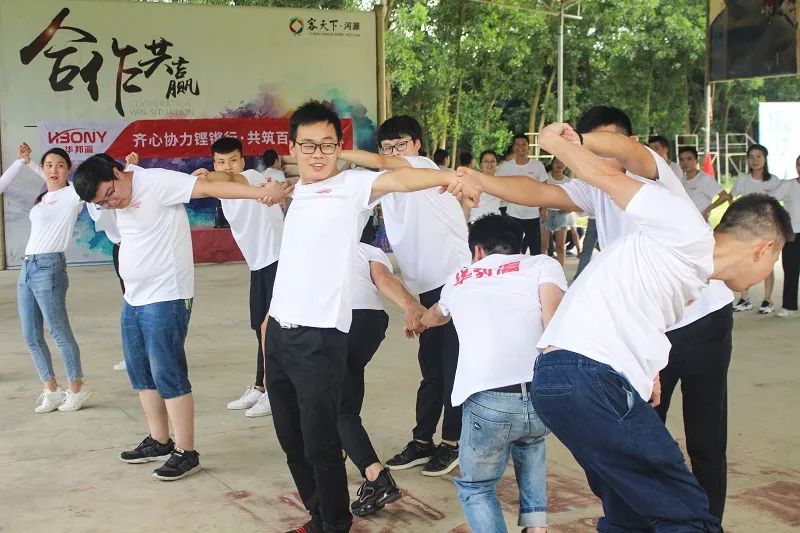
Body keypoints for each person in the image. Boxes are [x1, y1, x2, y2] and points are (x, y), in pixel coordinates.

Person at [470, 121, 791, 532]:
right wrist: (558, 143)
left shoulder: (686, 272)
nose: (769, 269)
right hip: (588, 378)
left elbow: (632, 310)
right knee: (689, 514)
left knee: (629, 516)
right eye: (774, 259)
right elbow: (604, 175)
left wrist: (649, 369)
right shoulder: (684, 227)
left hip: (557, 383)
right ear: (764, 248)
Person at [267, 102, 479, 533]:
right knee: (291, 440)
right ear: (292, 148)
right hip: (279, 333)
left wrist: (449, 177)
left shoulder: (351, 186)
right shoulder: (298, 190)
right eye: (308, 145)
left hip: (319, 337)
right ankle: (317, 517)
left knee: (320, 443)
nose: (318, 153)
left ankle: (335, 524)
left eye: (327, 145)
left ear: (339, 147)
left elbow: (399, 176)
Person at [72, 153, 290, 481]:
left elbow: (209, 187)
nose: (111, 204)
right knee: (141, 371)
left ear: (118, 173)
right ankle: (159, 440)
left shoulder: (157, 182)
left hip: (166, 295)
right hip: (134, 297)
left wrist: (259, 193)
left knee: (167, 372)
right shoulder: (118, 196)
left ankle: (186, 451)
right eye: (103, 203)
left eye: (110, 194)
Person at [340, 115, 471, 478]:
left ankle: (452, 443)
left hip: (455, 282)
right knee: (431, 371)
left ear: (416, 145)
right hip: (425, 288)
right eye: (388, 147)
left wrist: (334, 151)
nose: (394, 153)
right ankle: (422, 441)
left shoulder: (422, 167)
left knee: (452, 368)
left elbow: (380, 163)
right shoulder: (390, 185)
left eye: (400, 145)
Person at [421, 214, 566, 533]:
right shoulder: (542, 264)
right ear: (518, 245)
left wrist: (418, 322)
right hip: (541, 396)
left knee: (477, 488)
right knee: (530, 442)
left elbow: (436, 316)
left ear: (477, 251)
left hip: (489, 401)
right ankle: (537, 527)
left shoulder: (460, 277)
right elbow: (555, 325)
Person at [193, 137, 286, 418]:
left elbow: (232, 178)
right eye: (221, 162)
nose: (228, 167)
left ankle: (274, 393)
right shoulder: (223, 190)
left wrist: (208, 176)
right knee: (259, 327)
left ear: (242, 161)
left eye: (233, 160)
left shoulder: (251, 178)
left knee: (270, 329)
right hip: (259, 265)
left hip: (278, 260)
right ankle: (260, 386)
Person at [342, 228, 427, 518]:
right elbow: (384, 280)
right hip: (369, 323)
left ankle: (376, 477)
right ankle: (342, 445)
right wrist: (410, 306)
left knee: (337, 407)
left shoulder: (312, 244)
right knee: (349, 376)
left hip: (336, 321)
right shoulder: (368, 250)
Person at [1, 143, 92, 413]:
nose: (54, 170)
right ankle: (52, 389)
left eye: (60, 165)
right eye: (49, 166)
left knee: (59, 332)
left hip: (50, 267)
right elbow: (44, 175)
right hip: (28, 267)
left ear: (69, 170)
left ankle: (77, 388)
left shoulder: (73, 194)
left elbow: (86, 186)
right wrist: (25, 162)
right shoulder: (44, 197)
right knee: (30, 335)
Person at [86, 152, 140, 372]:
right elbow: (103, 219)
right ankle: (134, 356)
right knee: (131, 304)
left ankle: (146, 354)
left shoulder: (129, 185)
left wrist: (131, 170)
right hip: (121, 248)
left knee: (148, 305)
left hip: (140, 247)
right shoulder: (92, 196)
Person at [730, 144, 785, 313]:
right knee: (744, 264)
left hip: (768, 230)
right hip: (746, 229)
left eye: (758, 156)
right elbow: (731, 197)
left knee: (767, 265)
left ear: (765, 159)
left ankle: (767, 300)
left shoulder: (774, 181)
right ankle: (744, 298)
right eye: (751, 157)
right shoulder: (743, 180)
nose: (754, 160)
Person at [495, 133, 547, 255]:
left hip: (533, 215)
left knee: (535, 250)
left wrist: (544, 208)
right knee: (513, 249)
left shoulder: (537, 165)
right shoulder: (506, 167)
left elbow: (545, 188)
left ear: (528, 147)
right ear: (513, 147)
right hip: (513, 214)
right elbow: (496, 183)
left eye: (524, 144)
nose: (520, 147)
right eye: (517, 145)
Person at [774, 155, 800, 317]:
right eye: (799, 165)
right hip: (792, 234)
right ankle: (789, 306)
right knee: (791, 269)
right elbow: (771, 201)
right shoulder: (788, 185)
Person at [677, 146, 732, 220]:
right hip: (685, 222)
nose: (685, 163)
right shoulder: (682, 179)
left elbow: (725, 196)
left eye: (689, 159)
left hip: (700, 223)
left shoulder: (704, 179)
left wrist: (706, 211)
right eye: (682, 160)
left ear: (696, 161)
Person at [540, 157, 573, 266]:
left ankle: (560, 271)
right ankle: (542, 269)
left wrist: (568, 209)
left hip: (561, 214)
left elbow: (572, 198)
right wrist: (543, 208)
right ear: (552, 164)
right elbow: (541, 194)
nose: (559, 164)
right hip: (546, 212)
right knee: (543, 246)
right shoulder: (546, 178)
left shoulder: (568, 181)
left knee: (560, 246)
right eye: (556, 162)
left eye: (562, 162)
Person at [468, 150, 502, 223]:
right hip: (476, 221)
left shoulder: (501, 181)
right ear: (481, 164)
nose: (489, 164)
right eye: (486, 161)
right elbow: (467, 204)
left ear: (496, 163)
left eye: (492, 161)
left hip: (495, 221)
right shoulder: (473, 180)